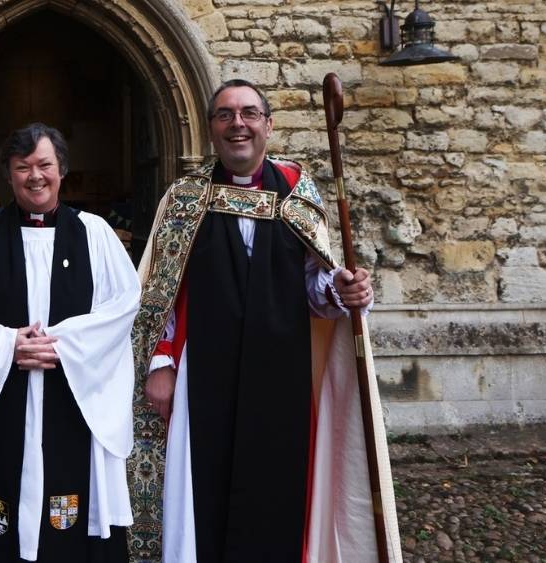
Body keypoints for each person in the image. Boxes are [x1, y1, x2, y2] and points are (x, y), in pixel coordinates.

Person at [132, 79, 398, 561]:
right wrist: (161, 364)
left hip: (281, 378)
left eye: (250, 113)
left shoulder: (299, 194)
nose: (239, 124)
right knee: (201, 503)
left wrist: (343, 291)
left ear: (269, 125)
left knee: (277, 500)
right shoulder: (184, 199)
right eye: (226, 115)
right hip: (203, 378)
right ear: (211, 130)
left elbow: (316, 288)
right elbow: (159, 293)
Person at [0, 123, 139, 562]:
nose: (34, 176)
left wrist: (62, 345)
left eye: (44, 165)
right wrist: (6, 345)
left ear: (62, 170)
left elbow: (124, 306)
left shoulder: (94, 234)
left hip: (70, 394)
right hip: (0, 397)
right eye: (23, 167)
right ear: (8, 174)